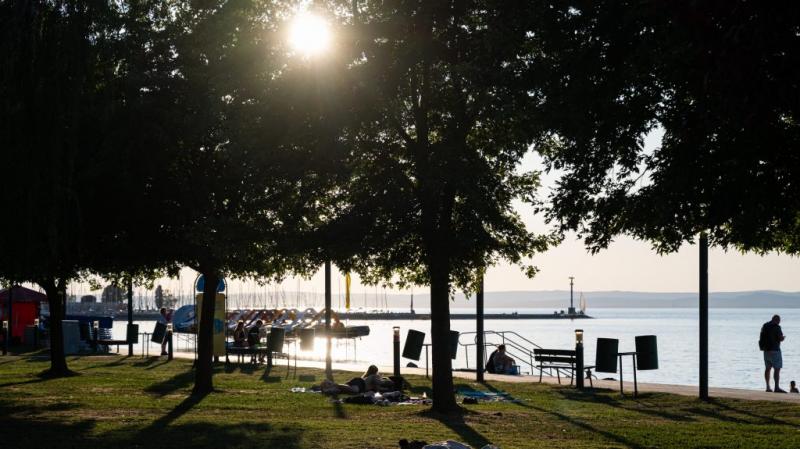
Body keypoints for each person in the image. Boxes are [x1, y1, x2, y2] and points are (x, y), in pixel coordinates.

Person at [760, 315, 786, 393]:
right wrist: (783, 338)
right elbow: (780, 338)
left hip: (766, 350)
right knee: (777, 369)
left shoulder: (765, 325)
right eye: (779, 320)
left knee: (767, 368)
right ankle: (776, 387)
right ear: (777, 320)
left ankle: (768, 387)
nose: (779, 322)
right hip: (775, 350)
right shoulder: (777, 327)